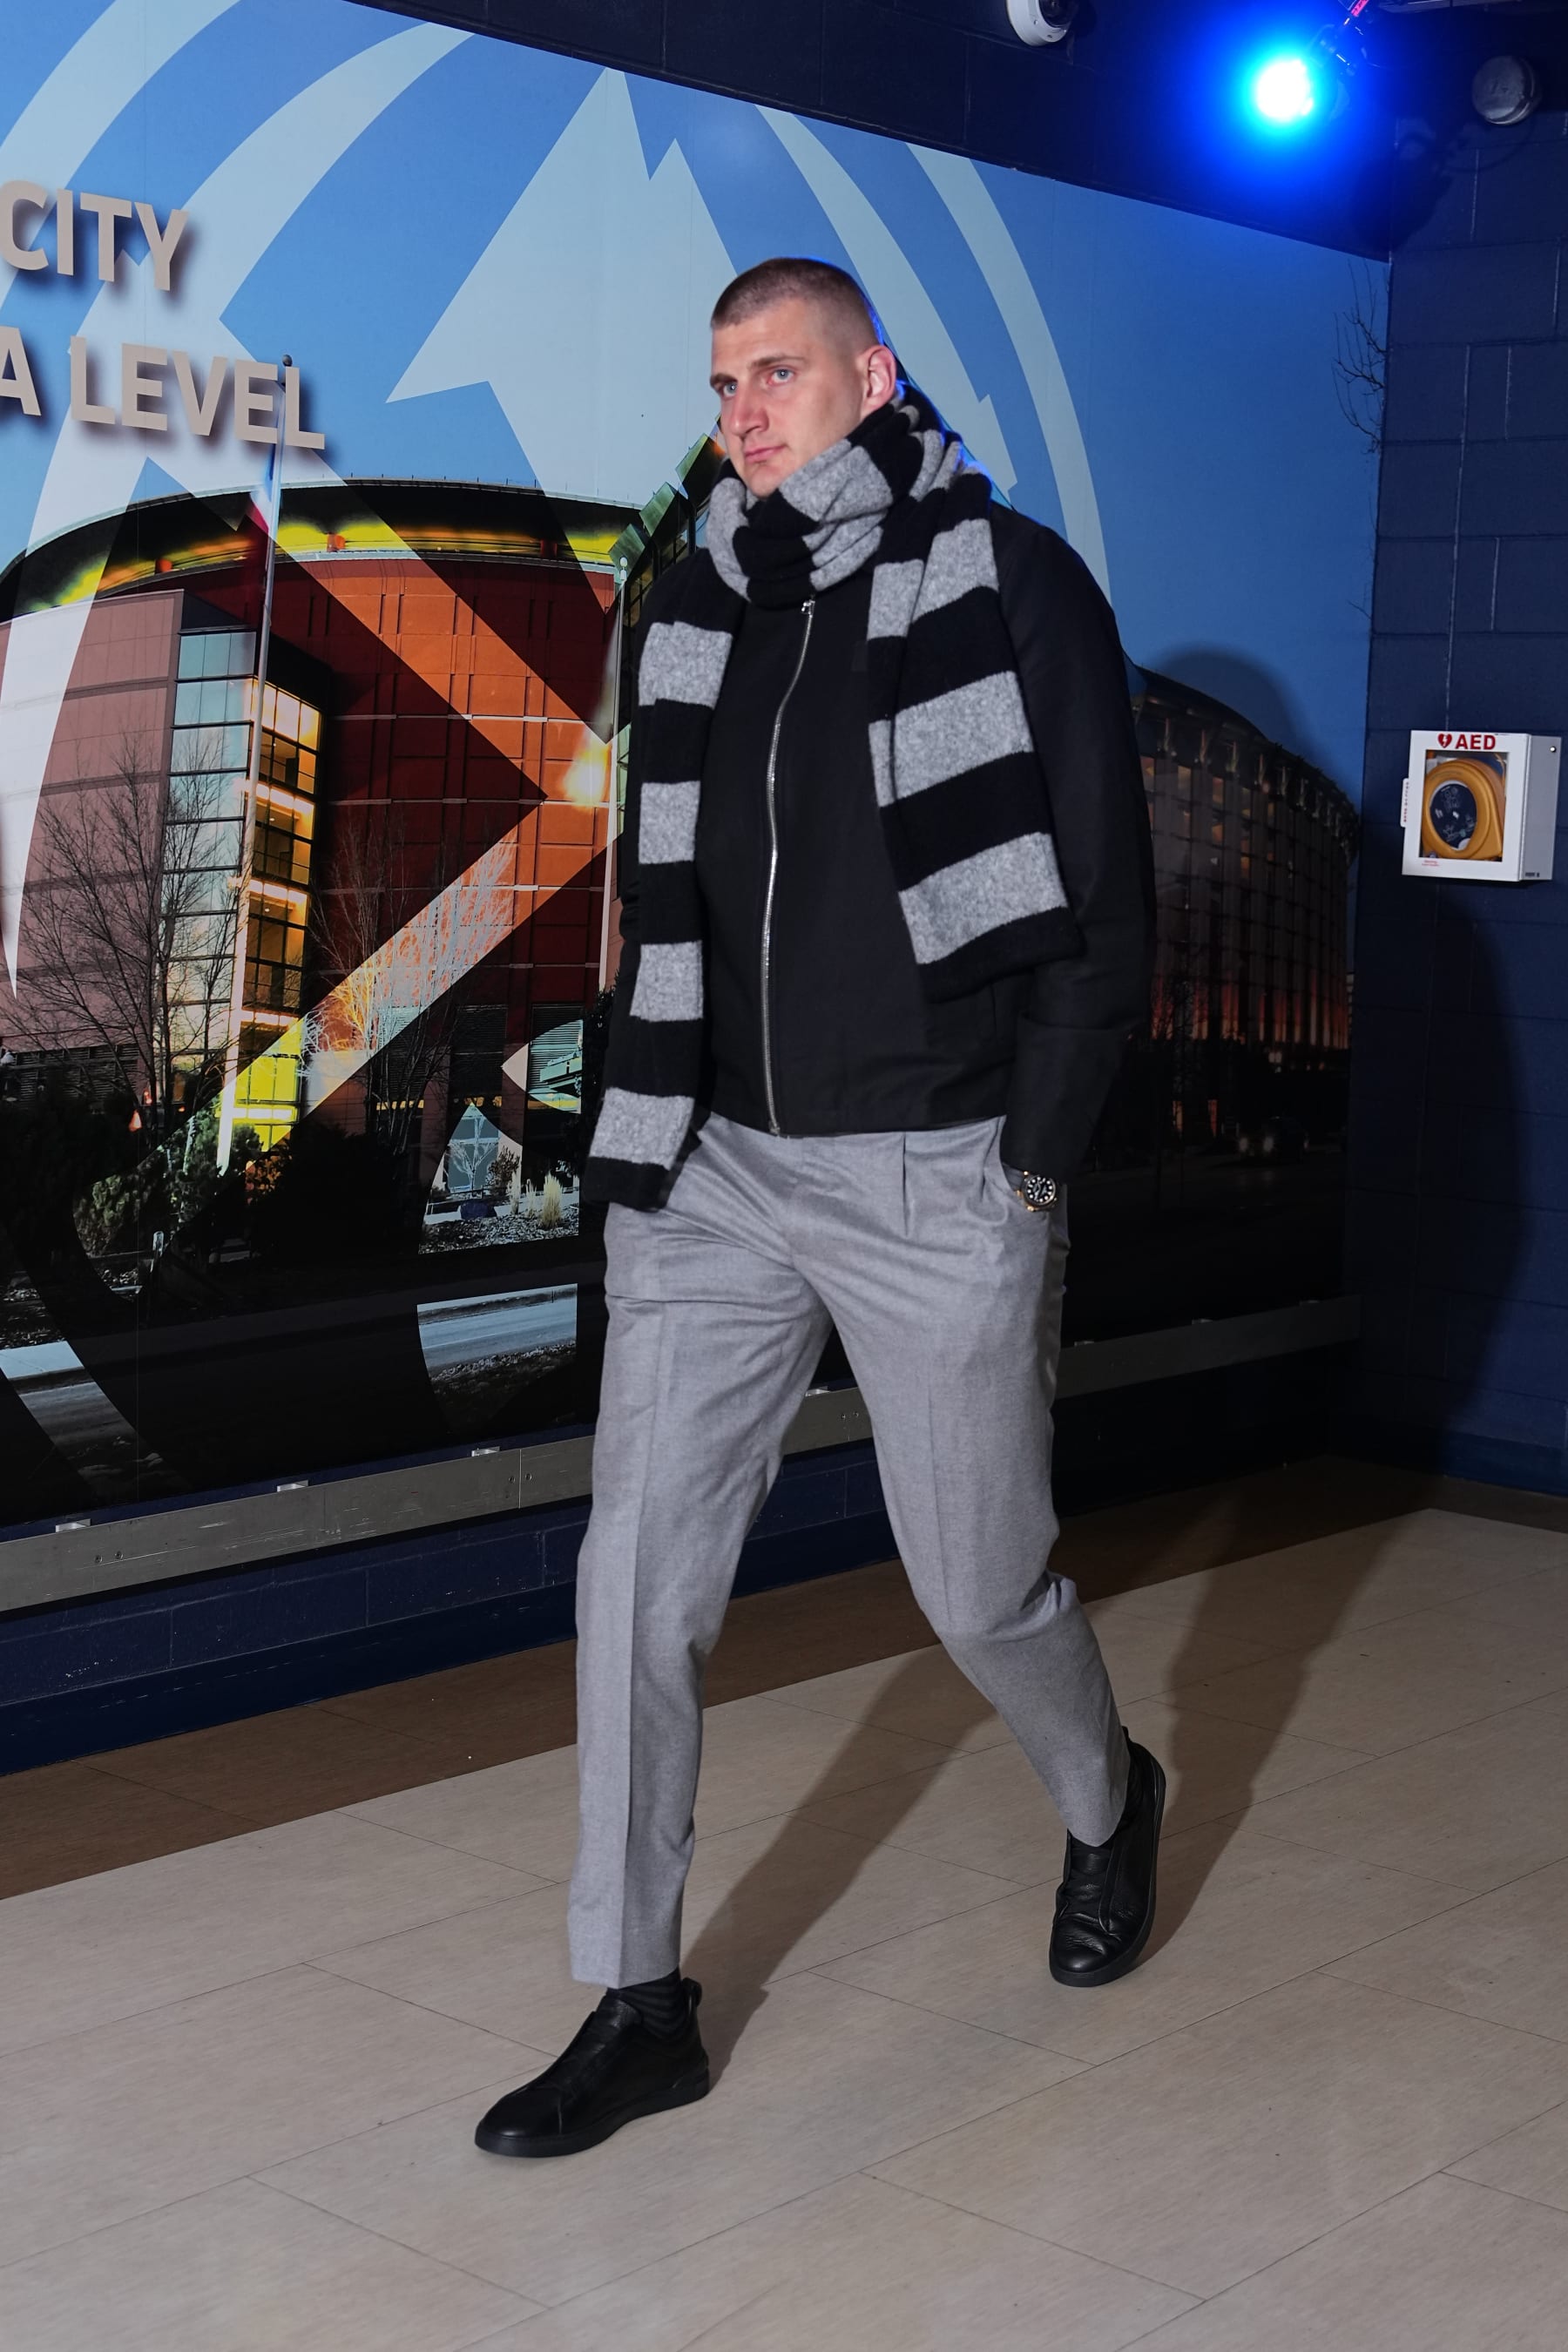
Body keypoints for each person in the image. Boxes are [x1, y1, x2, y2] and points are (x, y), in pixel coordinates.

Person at [476, 257, 1162, 2162]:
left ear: (870, 373)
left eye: (778, 372)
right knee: (636, 1583)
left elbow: (1103, 911)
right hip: (713, 1174)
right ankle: (636, 2000)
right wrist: (638, 1123)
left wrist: (1030, 1157)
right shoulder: (691, 605)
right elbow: (650, 901)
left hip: (937, 1170)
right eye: (722, 384)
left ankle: (1110, 1800)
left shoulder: (1010, 584)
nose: (746, 412)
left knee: (974, 1584)